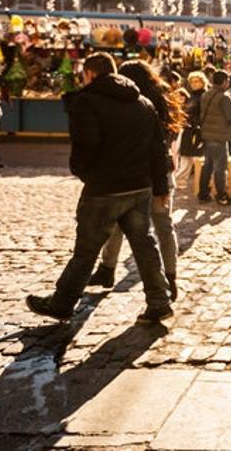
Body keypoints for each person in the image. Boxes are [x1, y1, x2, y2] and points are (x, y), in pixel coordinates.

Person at [26, 53, 173, 323]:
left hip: (105, 188)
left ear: (91, 73)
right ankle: (159, 301)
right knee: (144, 246)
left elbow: (85, 146)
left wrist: (84, 173)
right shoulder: (142, 102)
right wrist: (160, 185)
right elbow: (157, 148)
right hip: (139, 187)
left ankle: (62, 303)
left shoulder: (87, 101)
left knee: (86, 249)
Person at [89, 60, 187, 300]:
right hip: (162, 170)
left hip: (138, 172)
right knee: (163, 226)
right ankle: (170, 277)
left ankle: (108, 268)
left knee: (120, 222)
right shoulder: (163, 102)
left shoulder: (131, 105)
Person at [198, 70, 231, 206]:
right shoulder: (225, 98)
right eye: (227, 80)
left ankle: (203, 194)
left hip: (206, 135)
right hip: (219, 137)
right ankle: (221, 196)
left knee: (207, 166)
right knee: (220, 168)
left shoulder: (205, 94)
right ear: (224, 82)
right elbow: (230, 118)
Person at [175, 71, 207, 185]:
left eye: (196, 81)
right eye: (192, 81)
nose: (194, 84)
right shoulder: (192, 96)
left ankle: (202, 182)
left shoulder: (204, 96)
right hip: (188, 130)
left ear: (202, 82)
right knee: (186, 157)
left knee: (196, 158)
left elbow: (203, 114)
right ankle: (180, 180)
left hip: (197, 131)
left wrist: (197, 126)